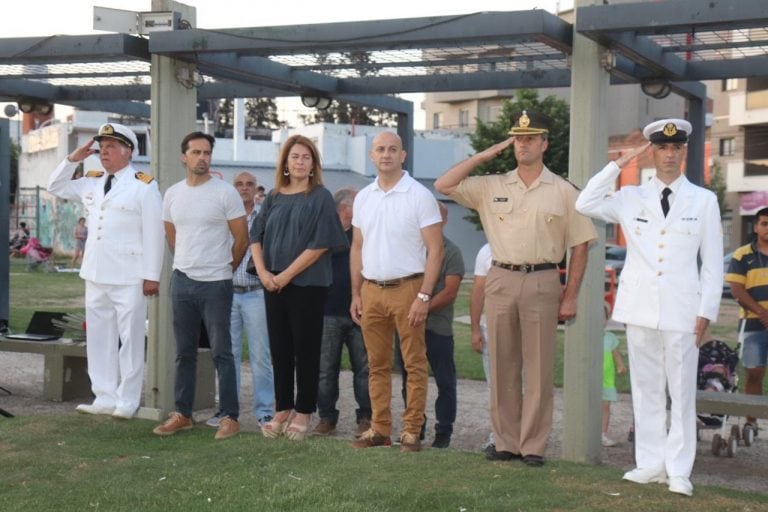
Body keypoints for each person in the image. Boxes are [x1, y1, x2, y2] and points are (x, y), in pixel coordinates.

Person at [435, 111, 596, 466]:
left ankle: (533, 445)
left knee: (538, 368)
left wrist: (570, 295)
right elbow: (443, 185)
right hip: (501, 278)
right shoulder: (492, 185)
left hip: (542, 279)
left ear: (544, 144)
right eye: (518, 138)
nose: (523, 143)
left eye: (531, 137)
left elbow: (581, 245)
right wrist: (483, 155)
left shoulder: (564, 190)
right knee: (503, 363)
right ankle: (505, 441)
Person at [575, 118, 723, 496]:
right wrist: (621, 163)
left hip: (683, 311)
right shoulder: (631, 197)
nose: (669, 154)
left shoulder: (703, 201)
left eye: (676, 148)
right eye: (662, 148)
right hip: (640, 308)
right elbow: (585, 202)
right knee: (645, 389)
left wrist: (707, 311)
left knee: (682, 391)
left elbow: (713, 263)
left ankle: (679, 470)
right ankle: (649, 463)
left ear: (684, 152)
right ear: (653, 151)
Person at [47, 123, 164, 419]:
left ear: (128, 151)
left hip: (129, 274)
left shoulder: (144, 185)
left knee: (131, 339)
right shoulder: (92, 181)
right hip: (95, 272)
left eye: (111, 147)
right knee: (99, 337)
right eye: (101, 146)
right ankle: (103, 396)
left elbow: (154, 233)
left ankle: (127, 400)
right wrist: (73, 158)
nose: (103, 152)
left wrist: (152, 275)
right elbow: (55, 187)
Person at [350, 131, 444, 453]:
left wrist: (424, 295)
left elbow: (436, 249)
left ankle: (411, 432)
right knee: (375, 365)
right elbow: (357, 246)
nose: (386, 154)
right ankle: (379, 429)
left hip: (409, 289)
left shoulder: (419, 195)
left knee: (414, 364)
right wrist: (356, 292)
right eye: (380, 149)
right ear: (371, 156)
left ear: (403, 155)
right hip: (371, 290)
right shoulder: (363, 198)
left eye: (393, 149)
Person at [250, 135, 348, 442]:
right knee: (279, 348)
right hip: (272, 283)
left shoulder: (320, 197)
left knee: (306, 349)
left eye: (307, 157)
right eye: (295, 156)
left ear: (313, 164)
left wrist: (285, 276)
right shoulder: (275, 196)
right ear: (286, 163)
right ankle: (283, 408)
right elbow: (256, 236)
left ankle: (304, 411)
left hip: (306, 285)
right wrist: (265, 273)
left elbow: (319, 245)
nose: (300, 161)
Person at [153, 132, 248, 440]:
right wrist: (187, 263)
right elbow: (172, 236)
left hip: (216, 284)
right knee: (184, 352)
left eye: (207, 152)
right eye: (196, 152)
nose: (202, 157)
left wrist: (225, 267)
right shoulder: (173, 194)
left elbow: (241, 239)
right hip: (182, 282)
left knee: (223, 352)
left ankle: (230, 417)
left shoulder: (225, 193)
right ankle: (183, 414)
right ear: (185, 157)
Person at [206, 172, 275, 429]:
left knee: (261, 356)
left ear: (255, 189)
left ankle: (265, 412)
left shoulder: (264, 216)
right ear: (232, 189)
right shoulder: (222, 218)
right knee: (227, 355)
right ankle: (227, 412)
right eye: (239, 184)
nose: (244, 189)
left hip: (256, 292)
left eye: (249, 185)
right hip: (227, 292)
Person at [396, 202, 464, 448]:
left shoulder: (451, 252)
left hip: (437, 328)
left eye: (436, 218)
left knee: (445, 381)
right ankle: (416, 427)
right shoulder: (409, 247)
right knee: (409, 378)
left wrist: (422, 308)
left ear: (443, 222)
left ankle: (443, 432)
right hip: (408, 326)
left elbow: (450, 291)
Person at [313, 188, 372, 438]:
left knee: (365, 369)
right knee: (326, 370)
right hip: (328, 312)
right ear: (346, 208)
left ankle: (366, 418)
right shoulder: (324, 233)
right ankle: (326, 418)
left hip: (362, 312)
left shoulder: (366, 235)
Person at [725, 206, 768, 435]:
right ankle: (751, 422)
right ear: (756, 226)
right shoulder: (742, 254)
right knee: (754, 373)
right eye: (764, 224)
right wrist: (762, 313)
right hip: (752, 323)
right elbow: (737, 290)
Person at [469, 242, 495, 452]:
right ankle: (498, 436)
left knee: (526, 384)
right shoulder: (486, 251)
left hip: (523, 327)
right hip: (491, 327)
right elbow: (478, 290)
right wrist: (476, 328)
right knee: (495, 386)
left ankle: (526, 436)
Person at [601, 302, 626, 448]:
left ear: (607, 319)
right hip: (592, 381)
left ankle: (602, 433)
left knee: (605, 407)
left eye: (602, 317)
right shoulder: (588, 338)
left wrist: (621, 366)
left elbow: (616, 355)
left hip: (607, 381)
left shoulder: (610, 338)